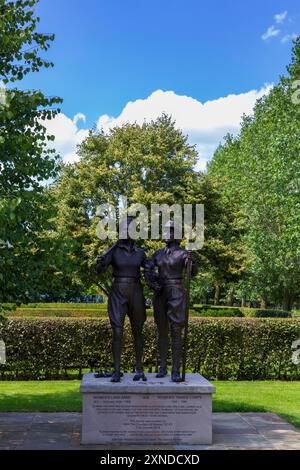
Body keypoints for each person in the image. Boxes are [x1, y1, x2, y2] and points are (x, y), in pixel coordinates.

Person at [96, 216, 150, 382]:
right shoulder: (114, 252)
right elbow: (99, 269)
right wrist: (108, 252)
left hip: (136, 290)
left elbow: (149, 273)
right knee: (117, 331)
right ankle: (116, 370)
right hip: (118, 291)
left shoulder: (140, 253)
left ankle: (139, 369)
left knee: (137, 331)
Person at [147, 221, 197, 382]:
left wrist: (191, 261)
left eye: (169, 231)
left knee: (176, 331)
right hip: (161, 292)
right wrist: (152, 283)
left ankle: (175, 369)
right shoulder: (158, 254)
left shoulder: (183, 254)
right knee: (162, 331)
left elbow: (193, 273)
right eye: (164, 230)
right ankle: (162, 367)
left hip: (176, 290)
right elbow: (148, 271)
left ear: (176, 234)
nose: (165, 233)